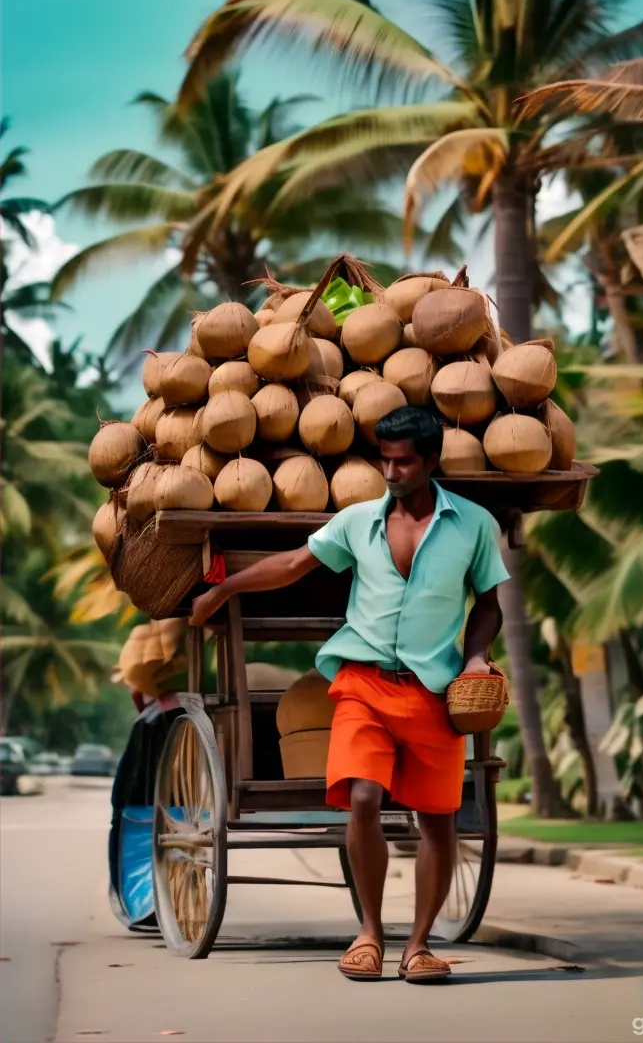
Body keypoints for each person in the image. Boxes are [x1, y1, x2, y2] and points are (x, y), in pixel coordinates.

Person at [190, 406, 509, 982]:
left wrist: (477, 657)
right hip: (362, 682)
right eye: (384, 461)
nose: (391, 473)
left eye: (403, 462)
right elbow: (292, 564)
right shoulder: (357, 520)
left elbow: (488, 602)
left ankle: (418, 947)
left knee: (437, 820)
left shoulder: (475, 525)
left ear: (431, 461)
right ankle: (369, 934)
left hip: (437, 692)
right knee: (364, 797)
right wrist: (221, 591)